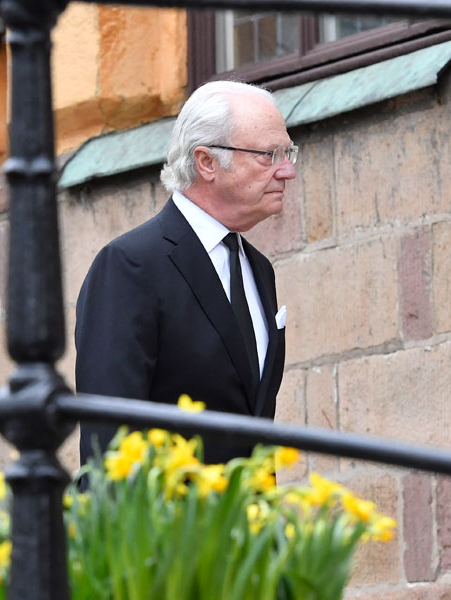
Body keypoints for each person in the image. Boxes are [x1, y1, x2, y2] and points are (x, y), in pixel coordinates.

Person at [75, 80, 293, 466]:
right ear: (207, 162)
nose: (287, 171)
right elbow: (110, 443)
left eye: (288, 152)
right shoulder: (131, 265)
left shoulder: (258, 270)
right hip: (166, 523)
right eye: (269, 155)